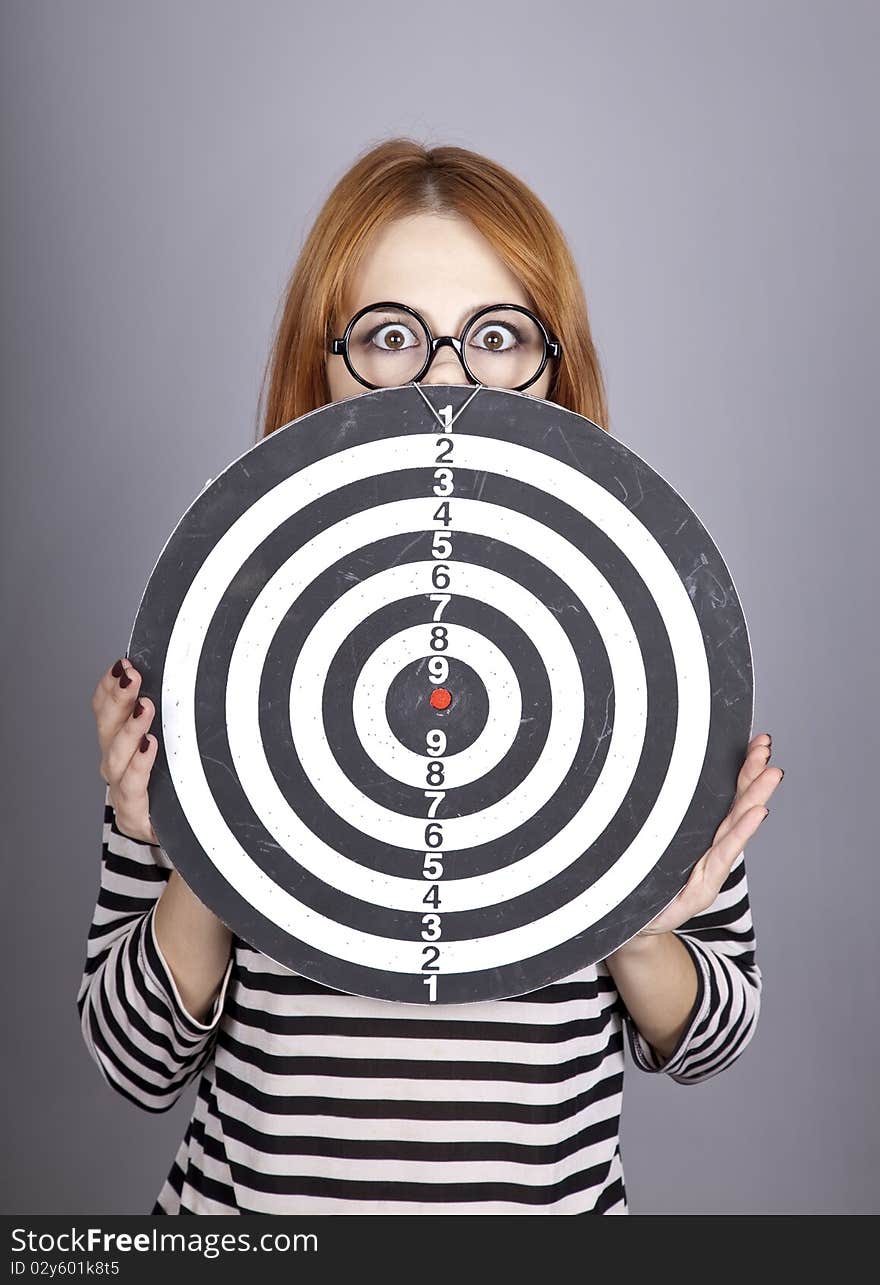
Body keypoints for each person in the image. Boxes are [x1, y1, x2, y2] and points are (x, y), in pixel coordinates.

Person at [76, 138, 784, 1215]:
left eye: (496, 336)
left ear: (555, 365)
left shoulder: (644, 649)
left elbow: (711, 1038)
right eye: (392, 336)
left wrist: (636, 919)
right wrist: (193, 844)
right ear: (320, 363)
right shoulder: (218, 638)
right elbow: (134, 1063)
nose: (447, 380)